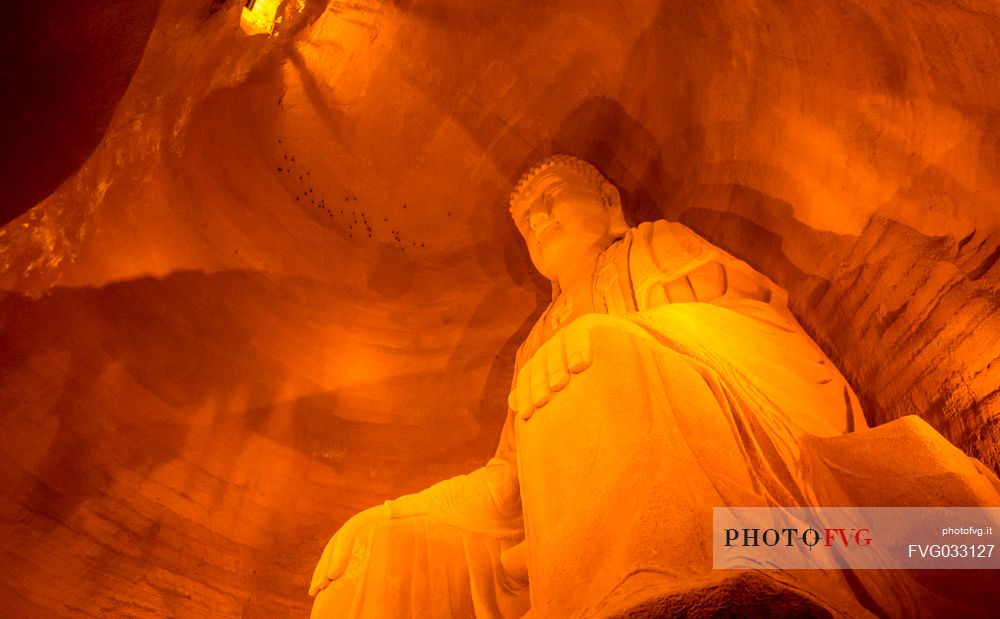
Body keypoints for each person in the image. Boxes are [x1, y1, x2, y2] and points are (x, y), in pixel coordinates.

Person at [310, 156, 1000, 618]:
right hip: (553, 540)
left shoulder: (654, 246)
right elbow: (505, 480)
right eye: (527, 224)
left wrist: (625, 342)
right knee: (379, 544)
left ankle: (672, 590)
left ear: (608, 202)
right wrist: (404, 514)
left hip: (741, 480)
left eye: (553, 201)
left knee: (605, 355)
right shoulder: (536, 341)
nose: (540, 221)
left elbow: (755, 325)